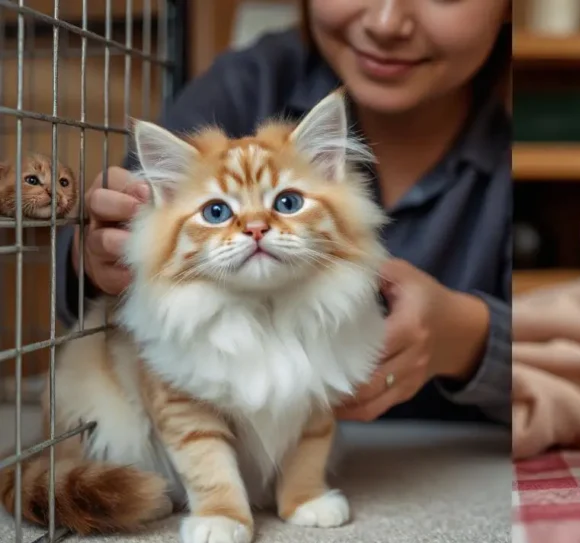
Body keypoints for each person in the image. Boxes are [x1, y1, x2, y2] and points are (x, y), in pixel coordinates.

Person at [54, 0, 511, 425]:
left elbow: (571, 365)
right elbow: (93, 282)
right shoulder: (249, 80)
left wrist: (469, 338)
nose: (386, 23)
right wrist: (96, 255)